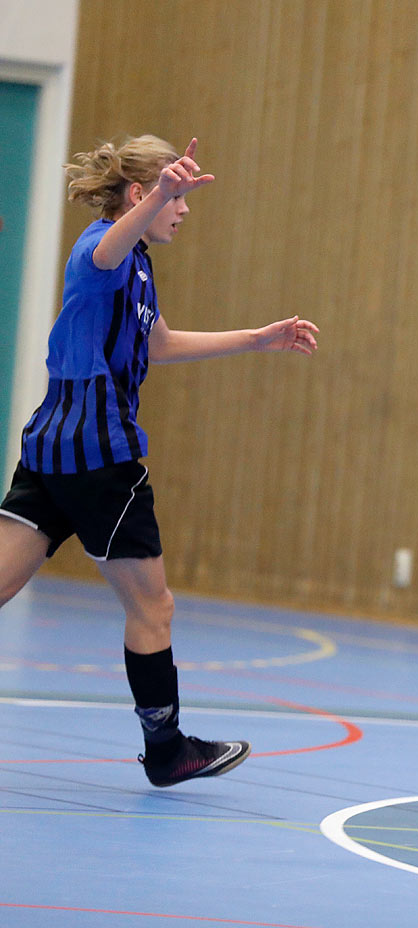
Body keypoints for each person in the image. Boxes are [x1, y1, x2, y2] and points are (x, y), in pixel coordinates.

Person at [0, 136, 319, 787]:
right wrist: (159, 199)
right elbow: (105, 249)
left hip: (52, 448)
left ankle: (169, 748)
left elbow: (161, 342)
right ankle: (168, 751)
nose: (185, 208)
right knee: (154, 608)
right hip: (100, 456)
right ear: (141, 195)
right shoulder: (103, 251)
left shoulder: (139, 267)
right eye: (176, 195)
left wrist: (257, 340)